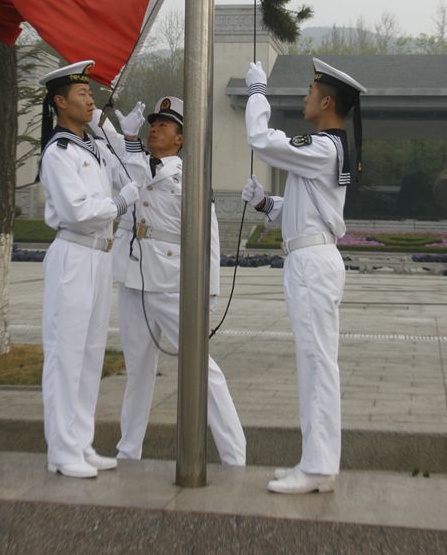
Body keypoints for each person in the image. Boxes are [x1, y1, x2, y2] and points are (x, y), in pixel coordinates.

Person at [242, 57, 366, 494]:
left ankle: (317, 467)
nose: (305, 96)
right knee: (313, 363)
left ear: (327, 100)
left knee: (316, 365)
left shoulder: (322, 147)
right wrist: (264, 205)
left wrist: (257, 91)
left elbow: (261, 137)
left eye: (311, 90)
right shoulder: (322, 150)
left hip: (313, 266)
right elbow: (301, 215)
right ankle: (314, 461)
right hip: (308, 259)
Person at [108, 95, 246, 466]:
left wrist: (209, 293)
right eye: (153, 123)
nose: (155, 128)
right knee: (137, 369)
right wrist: (104, 118)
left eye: (165, 125)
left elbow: (209, 240)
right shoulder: (139, 164)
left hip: (172, 287)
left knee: (202, 368)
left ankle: (235, 456)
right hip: (135, 281)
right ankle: (128, 450)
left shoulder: (190, 179)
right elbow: (117, 150)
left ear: (181, 138)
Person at [38, 60, 140, 478]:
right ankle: (61, 450)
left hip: (99, 257)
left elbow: (132, 174)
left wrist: (124, 135)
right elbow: (77, 210)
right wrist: (119, 204)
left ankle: (80, 442)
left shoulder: (91, 147)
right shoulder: (58, 152)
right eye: (81, 94)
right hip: (74, 255)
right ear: (60, 102)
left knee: (90, 354)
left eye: (90, 92)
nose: (90, 98)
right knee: (66, 354)